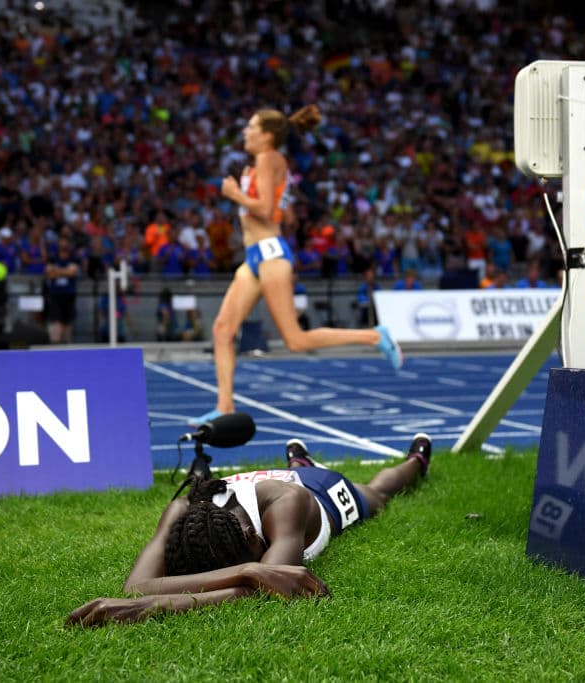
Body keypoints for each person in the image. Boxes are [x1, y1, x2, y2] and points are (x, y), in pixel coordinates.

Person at [66, 432, 433, 627]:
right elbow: (135, 586)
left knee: (379, 493)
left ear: (251, 538)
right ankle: (298, 459)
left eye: (248, 561)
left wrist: (148, 607)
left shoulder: (285, 506)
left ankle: (416, 461)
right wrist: (248, 568)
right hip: (267, 488)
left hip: (320, 493)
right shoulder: (181, 510)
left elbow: (264, 591)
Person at [196, 105, 402, 424]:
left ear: (267, 135)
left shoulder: (269, 159)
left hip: (271, 255)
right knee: (222, 329)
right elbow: (284, 214)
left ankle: (375, 336)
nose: (245, 132)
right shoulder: (269, 164)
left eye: (251, 127)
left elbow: (264, 210)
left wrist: (235, 194)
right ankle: (224, 406)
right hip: (255, 256)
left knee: (295, 340)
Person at [44, 237, 81, 343]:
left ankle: (67, 346)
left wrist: (56, 271)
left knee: (67, 323)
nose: (63, 244)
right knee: (56, 322)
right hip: (56, 294)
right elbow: (49, 274)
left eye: (65, 242)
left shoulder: (73, 258)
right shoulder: (53, 257)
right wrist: (66, 271)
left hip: (69, 293)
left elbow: (73, 272)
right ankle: (55, 346)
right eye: (61, 241)